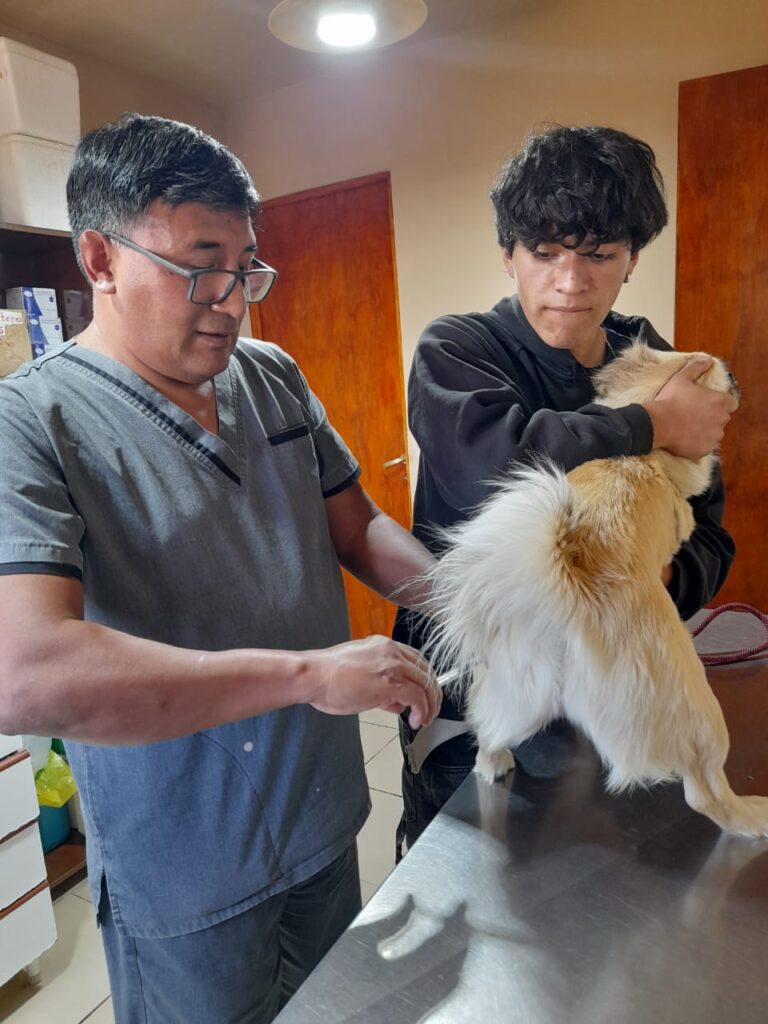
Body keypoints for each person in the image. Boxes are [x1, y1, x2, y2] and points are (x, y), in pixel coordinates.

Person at [0, 113, 441, 1024]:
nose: (233, 301)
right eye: (201, 267)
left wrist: (480, 602)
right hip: (185, 862)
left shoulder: (271, 376)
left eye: (246, 267)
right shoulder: (31, 424)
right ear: (100, 259)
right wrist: (309, 675)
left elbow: (360, 530)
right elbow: (28, 673)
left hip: (320, 817)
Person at [393, 124, 737, 858]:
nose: (571, 281)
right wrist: (652, 423)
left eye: (599, 254)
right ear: (508, 254)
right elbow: (494, 467)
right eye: (544, 252)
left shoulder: (660, 366)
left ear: (632, 259)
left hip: (612, 675)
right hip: (476, 682)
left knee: (613, 880)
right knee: (456, 864)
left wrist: (653, 582)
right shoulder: (457, 349)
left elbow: (708, 527)